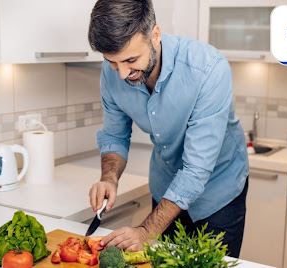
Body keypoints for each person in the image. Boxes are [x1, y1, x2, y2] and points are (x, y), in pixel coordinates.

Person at [87, 0, 249, 258]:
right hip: (166, 187)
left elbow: (196, 169)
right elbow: (115, 135)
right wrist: (109, 177)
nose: (121, 74)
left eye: (131, 60)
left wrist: (146, 231)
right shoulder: (113, 73)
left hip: (218, 193)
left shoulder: (208, 69)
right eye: (112, 63)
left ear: (155, 35)